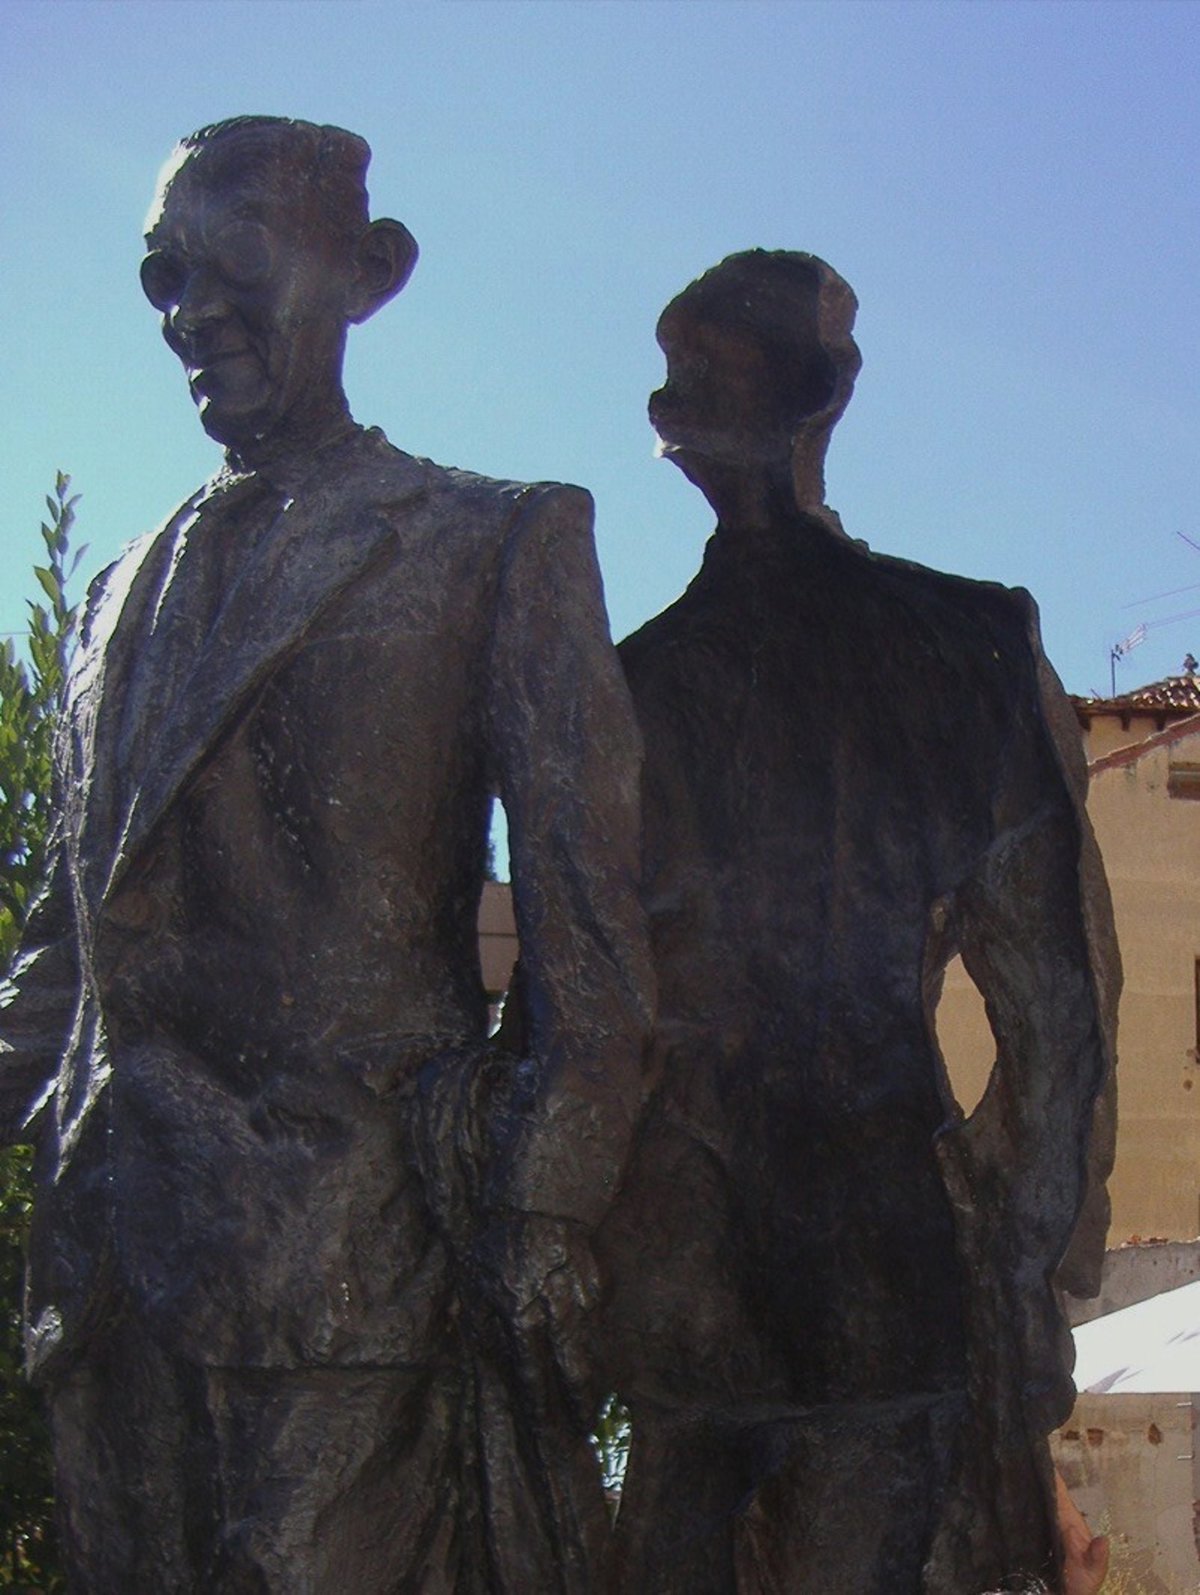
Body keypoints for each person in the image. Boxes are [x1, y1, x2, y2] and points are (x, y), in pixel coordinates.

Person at [0, 116, 652, 1591]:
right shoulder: (112, 593)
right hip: (108, 1266)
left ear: (371, 272)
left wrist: (545, 1199)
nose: (191, 309)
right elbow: (66, 941)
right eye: (162, 275)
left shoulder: (493, 539)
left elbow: (587, 922)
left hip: (349, 1255)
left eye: (236, 259)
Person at [598, 251, 1117, 1593]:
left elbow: (1054, 1001)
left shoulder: (636, 683)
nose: (672, 406)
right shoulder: (944, 642)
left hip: (735, 1250)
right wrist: (1015, 1242)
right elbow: (1055, 1005)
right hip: (829, 1253)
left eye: (698, 373)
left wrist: (1016, 1248)